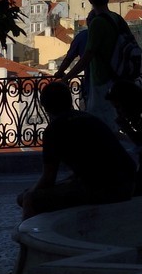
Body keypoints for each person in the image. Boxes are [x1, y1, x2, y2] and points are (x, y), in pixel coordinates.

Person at [17, 81, 135, 219]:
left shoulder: (54, 128)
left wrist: (28, 197)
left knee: (27, 198)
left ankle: (40, 233)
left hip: (103, 189)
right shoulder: (91, 119)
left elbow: (48, 179)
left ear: (45, 107)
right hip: (128, 183)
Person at [78, 0, 122, 126]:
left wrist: (66, 77)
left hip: (101, 78)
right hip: (118, 76)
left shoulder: (97, 23)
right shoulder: (116, 18)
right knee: (114, 121)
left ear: (90, 1)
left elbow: (88, 54)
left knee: (99, 123)